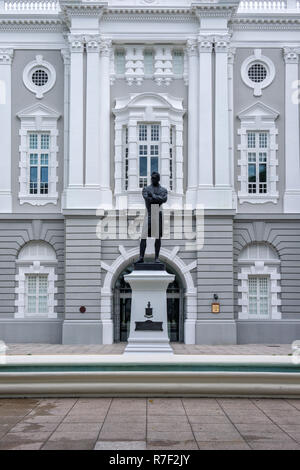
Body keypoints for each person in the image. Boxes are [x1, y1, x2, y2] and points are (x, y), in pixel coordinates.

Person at [136, 171, 168, 263]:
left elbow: (164, 199)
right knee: (143, 236)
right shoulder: (146, 189)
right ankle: (141, 257)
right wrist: (158, 198)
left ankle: (156, 258)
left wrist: (153, 196)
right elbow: (147, 199)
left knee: (157, 236)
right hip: (149, 211)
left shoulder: (163, 190)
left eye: (155, 178)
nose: (153, 179)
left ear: (158, 179)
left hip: (157, 211)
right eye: (152, 178)